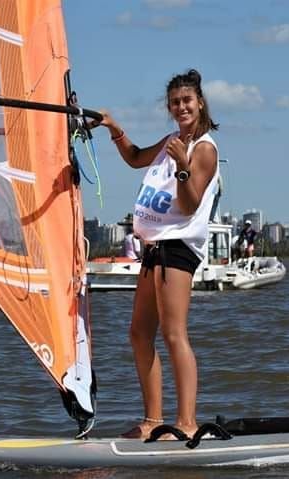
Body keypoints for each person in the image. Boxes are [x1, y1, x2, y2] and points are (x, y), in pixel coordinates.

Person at [97, 69, 219, 440]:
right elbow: (135, 157)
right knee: (138, 333)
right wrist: (112, 127)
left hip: (178, 249)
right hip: (153, 250)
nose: (181, 107)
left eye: (187, 101)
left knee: (173, 334)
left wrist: (183, 166)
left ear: (199, 103)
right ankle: (153, 420)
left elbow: (189, 204)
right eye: (175, 102)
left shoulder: (205, 150)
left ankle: (186, 422)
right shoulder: (170, 140)